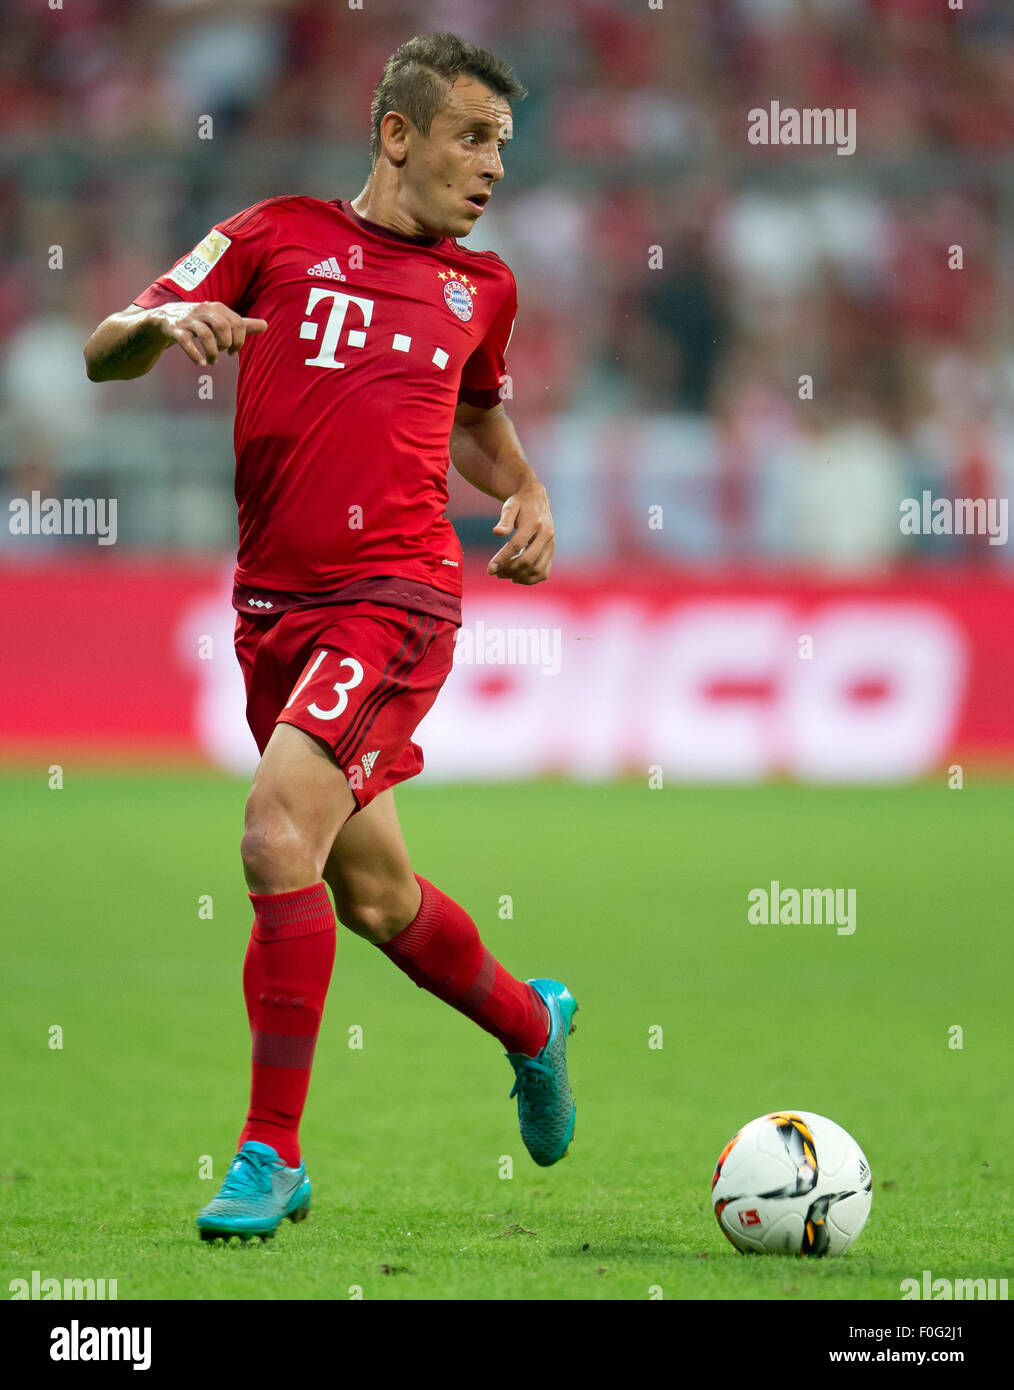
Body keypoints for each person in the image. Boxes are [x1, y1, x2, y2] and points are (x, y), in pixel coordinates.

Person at [83, 31, 577, 1241]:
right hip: (270, 610)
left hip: (399, 595)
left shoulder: (483, 288)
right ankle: (532, 1022)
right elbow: (105, 350)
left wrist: (529, 491)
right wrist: (169, 323)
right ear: (398, 135)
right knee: (374, 894)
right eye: (472, 138)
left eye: (503, 146)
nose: (492, 167)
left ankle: (271, 1150)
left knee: (272, 830)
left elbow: (476, 424)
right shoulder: (269, 237)